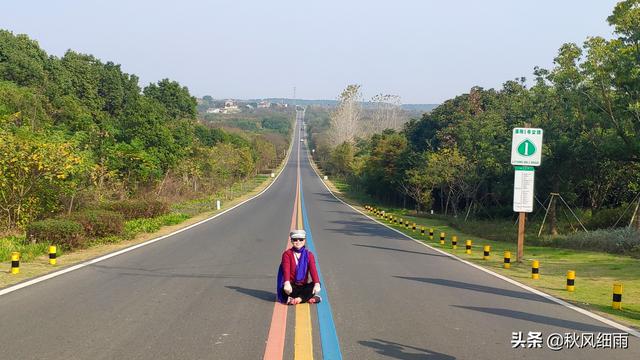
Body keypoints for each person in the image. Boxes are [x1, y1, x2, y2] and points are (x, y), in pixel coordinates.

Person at [276, 229, 322, 305]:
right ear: (291, 241)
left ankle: (298, 299)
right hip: (292, 286)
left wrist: (316, 283)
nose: (298, 242)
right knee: (284, 289)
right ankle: (307, 297)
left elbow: (313, 270)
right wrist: (287, 282)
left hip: (303, 286)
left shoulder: (309, 255)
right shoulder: (287, 254)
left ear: (304, 241)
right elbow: (286, 269)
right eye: (295, 239)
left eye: (301, 239)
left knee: (316, 285)